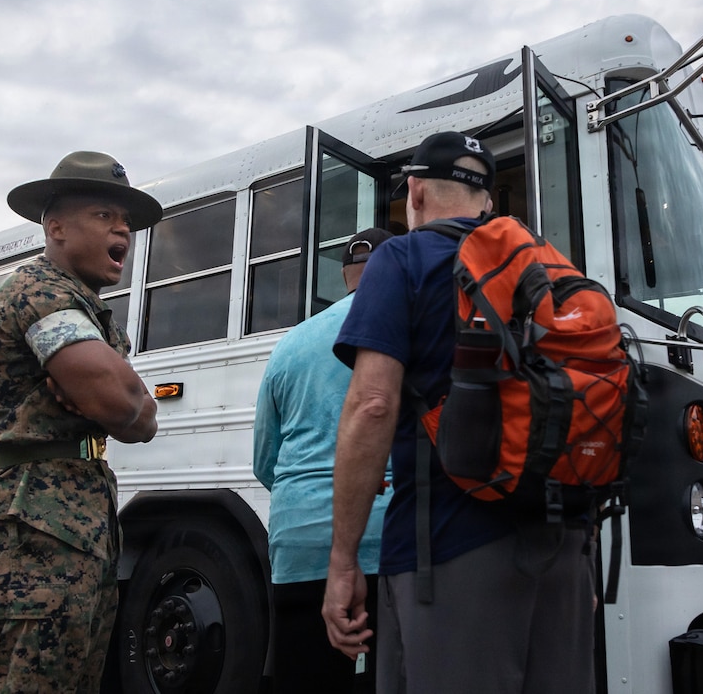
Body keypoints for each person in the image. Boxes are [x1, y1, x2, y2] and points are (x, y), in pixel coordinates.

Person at [321, 132, 597, 694]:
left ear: (416, 192)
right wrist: (585, 552)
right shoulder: (548, 268)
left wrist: (343, 561)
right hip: (563, 551)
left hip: (448, 550)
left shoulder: (401, 257)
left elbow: (373, 405)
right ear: (488, 202)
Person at [0, 150, 162, 693]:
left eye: (126, 221)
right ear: (56, 228)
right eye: (104, 215)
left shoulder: (88, 310)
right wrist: (118, 399)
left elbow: (142, 419)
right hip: (29, 537)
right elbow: (123, 405)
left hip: (77, 532)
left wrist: (120, 400)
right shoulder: (40, 292)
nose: (123, 229)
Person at [253, 227, 394, 694]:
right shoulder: (404, 327)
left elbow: (265, 461)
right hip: (386, 539)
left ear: (345, 276)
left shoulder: (290, 344)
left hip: (298, 542)